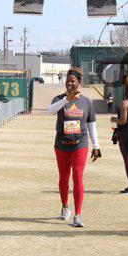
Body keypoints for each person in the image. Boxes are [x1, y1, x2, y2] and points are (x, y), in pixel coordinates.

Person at [48, 67, 101, 227]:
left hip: (80, 143)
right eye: (68, 81)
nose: (70, 84)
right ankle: (65, 207)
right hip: (62, 144)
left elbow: (91, 124)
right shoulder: (59, 98)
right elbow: (50, 111)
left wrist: (96, 145)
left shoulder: (86, 101)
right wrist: (67, 99)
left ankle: (78, 215)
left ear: (79, 83)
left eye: (73, 81)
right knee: (64, 178)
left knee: (77, 176)